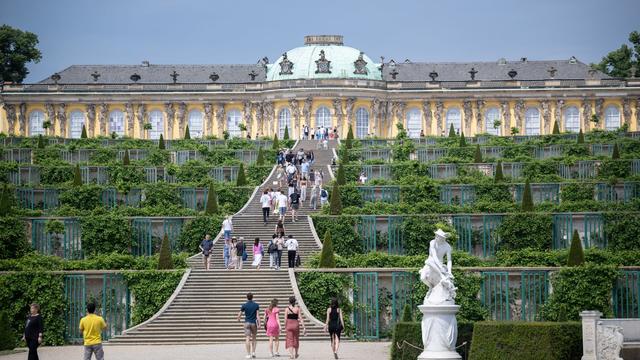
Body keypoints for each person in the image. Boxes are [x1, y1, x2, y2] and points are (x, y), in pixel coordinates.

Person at [237, 293, 260, 359]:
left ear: (247, 298)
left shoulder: (244, 305)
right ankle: (253, 352)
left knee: (247, 338)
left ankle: (248, 354)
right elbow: (257, 315)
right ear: (252, 297)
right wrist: (259, 323)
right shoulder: (256, 305)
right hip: (253, 323)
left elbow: (239, 314)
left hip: (247, 322)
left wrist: (238, 319)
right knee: (254, 338)